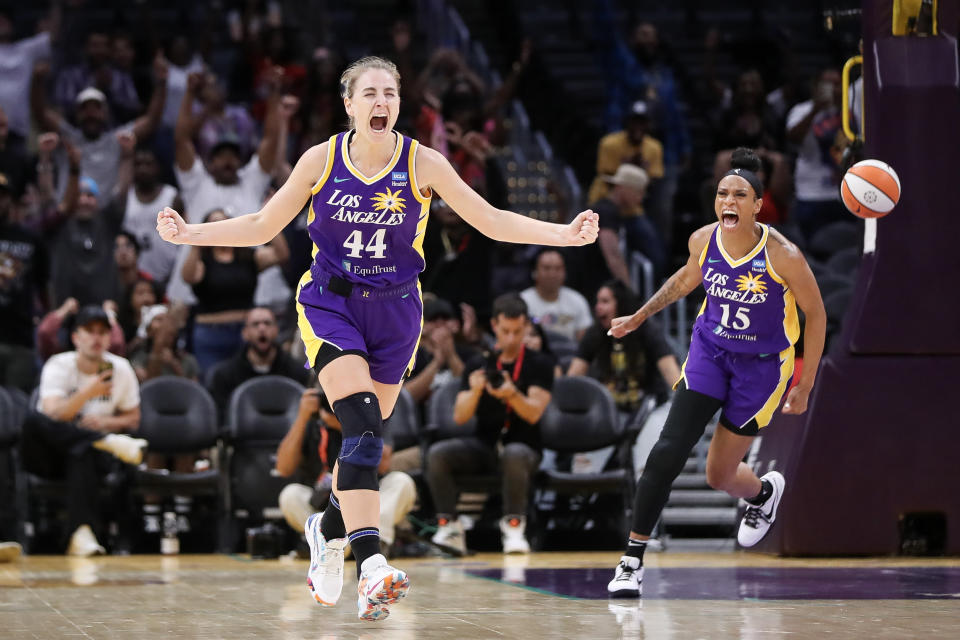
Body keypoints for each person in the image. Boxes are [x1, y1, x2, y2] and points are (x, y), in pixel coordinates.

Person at [156, 56, 598, 621]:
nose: (381, 102)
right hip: (330, 303)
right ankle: (371, 565)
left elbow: (487, 219)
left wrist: (561, 235)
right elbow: (262, 225)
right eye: (369, 93)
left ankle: (327, 528)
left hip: (397, 312)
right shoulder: (321, 160)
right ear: (349, 104)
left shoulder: (423, 162)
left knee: (365, 446)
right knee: (362, 426)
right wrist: (190, 232)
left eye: (390, 92)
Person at [604, 148, 825, 598]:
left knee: (719, 476)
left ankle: (762, 493)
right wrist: (639, 316)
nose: (730, 200)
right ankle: (631, 561)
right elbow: (686, 280)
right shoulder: (703, 240)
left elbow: (816, 315)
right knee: (666, 451)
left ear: (758, 205)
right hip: (710, 352)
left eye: (740, 194)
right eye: (723, 193)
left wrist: (806, 383)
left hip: (762, 369)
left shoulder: (784, 256)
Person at [427, 294, 554, 555]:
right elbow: (460, 417)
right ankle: (450, 527)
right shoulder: (477, 363)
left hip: (525, 447)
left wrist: (512, 394)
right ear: (494, 325)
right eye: (505, 331)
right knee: (439, 454)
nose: (511, 338)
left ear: (526, 327)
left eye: (518, 331)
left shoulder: (541, 363)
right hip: (485, 445)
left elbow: (534, 414)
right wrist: (474, 392)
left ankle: (514, 528)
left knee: (514, 453)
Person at [21, 305, 146, 556]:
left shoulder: (121, 368)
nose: (96, 337)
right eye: (89, 331)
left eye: (102, 332)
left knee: (82, 450)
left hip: (92, 458)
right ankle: (105, 441)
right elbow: (54, 413)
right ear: (76, 337)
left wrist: (105, 424)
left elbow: (133, 418)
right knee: (33, 421)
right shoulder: (59, 365)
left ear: (110, 338)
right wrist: (89, 391)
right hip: (50, 456)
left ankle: (81, 534)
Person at [275, 385, 417, 556]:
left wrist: (344, 427)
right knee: (290, 495)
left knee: (401, 482)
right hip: (323, 502)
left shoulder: (368, 408)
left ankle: (368, 544)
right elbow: (283, 468)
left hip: (367, 499)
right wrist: (302, 417)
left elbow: (383, 463)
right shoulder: (312, 419)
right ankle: (338, 544)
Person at [182, 209, 289, 373]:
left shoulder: (248, 256)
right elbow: (187, 276)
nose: (218, 227)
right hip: (211, 335)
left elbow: (281, 255)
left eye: (224, 222)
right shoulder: (202, 261)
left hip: (246, 332)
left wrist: (269, 221)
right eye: (213, 223)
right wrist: (196, 240)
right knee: (213, 383)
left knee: (249, 382)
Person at [568, 280, 680, 414]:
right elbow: (573, 376)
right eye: (597, 302)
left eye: (605, 301)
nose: (598, 307)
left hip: (648, 409)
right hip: (608, 411)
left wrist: (684, 401)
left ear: (621, 304)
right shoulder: (594, 333)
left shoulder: (648, 331)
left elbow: (670, 370)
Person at [206, 306, 312, 417]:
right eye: (255, 324)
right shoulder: (224, 376)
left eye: (267, 323)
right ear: (245, 333)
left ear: (276, 330)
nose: (262, 328)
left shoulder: (297, 372)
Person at [0, 171, 49, 390]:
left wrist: (48, 319)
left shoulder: (30, 239)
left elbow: (44, 285)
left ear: (9, 199)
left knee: (17, 409)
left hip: (20, 338)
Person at [520, 248, 592, 342]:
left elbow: (584, 344)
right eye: (546, 268)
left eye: (557, 268)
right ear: (534, 272)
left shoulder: (577, 300)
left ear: (565, 272)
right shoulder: (523, 301)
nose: (552, 274)